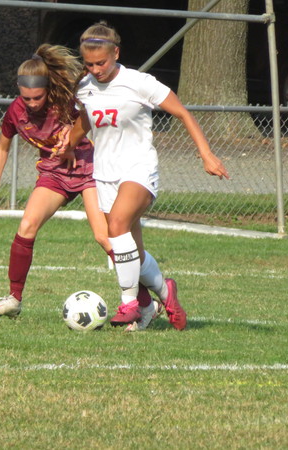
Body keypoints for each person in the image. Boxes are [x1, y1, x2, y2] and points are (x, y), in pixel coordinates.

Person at [68, 22, 229, 331]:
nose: (95, 69)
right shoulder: (85, 86)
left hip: (139, 168)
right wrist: (68, 144)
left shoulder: (139, 82)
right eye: (89, 64)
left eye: (101, 62)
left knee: (116, 227)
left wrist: (206, 154)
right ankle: (165, 294)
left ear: (116, 53)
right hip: (105, 173)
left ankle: (129, 302)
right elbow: (87, 119)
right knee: (127, 250)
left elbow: (182, 112)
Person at [0, 44, 154, 321]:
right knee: (26, 226)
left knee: (104, 237)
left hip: (87, 170)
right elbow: (2, 148)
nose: (33, 103)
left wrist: (72, 144)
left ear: (48, 90)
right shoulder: (15, 112)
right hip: (53, 173)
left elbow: (92, 123)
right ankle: (14, 299)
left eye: (38, 97)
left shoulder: (66, 104)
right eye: (27, 98)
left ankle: (145, 303)